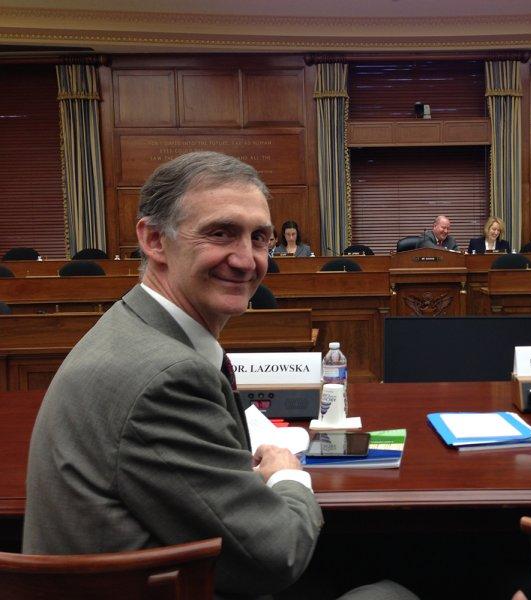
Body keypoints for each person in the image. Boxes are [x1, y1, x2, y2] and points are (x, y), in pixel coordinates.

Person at [23, 152, 416, 600]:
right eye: (221, 233)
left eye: (259, 238)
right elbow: (277, 554)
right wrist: (290, 476)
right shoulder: (166, 377)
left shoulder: (132, 325)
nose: (247, 260)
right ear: (154, 240)